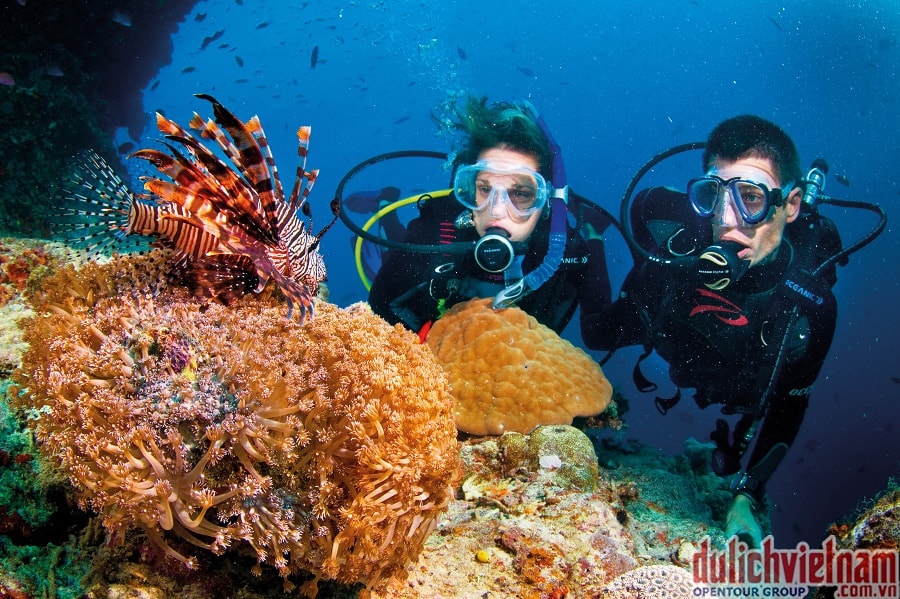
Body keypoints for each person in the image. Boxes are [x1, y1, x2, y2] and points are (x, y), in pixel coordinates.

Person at [585, 115, 840, 547]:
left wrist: (745, 494)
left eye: (751, 197)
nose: (726, 219)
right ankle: (587, 237)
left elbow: (786, 412)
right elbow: (643, 206)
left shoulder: (809, 310)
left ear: (790, 205)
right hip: (670, 336)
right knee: (595, 336)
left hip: (737, 383)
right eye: (713, 195)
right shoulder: (682, 243)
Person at [368, 96, 612, 340]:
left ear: (545, 200)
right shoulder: (438, 230)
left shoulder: (565, 256)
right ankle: (385, 203)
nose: (495, 211)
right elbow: (381, 303)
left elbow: (582, 333)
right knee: (393, 238)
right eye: (485, 188)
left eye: (519, 193)